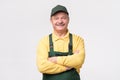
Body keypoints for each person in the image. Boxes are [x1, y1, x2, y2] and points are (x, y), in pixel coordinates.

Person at [36, 5, 85, 80]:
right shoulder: (44, 41)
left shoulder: (78, 40)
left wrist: (56, 59)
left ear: (68, 19)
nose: (60, 21)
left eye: (63, 18)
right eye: (56, 18)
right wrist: (67, 67)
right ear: (51, 21)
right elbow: (42, 66)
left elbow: (79, 60)